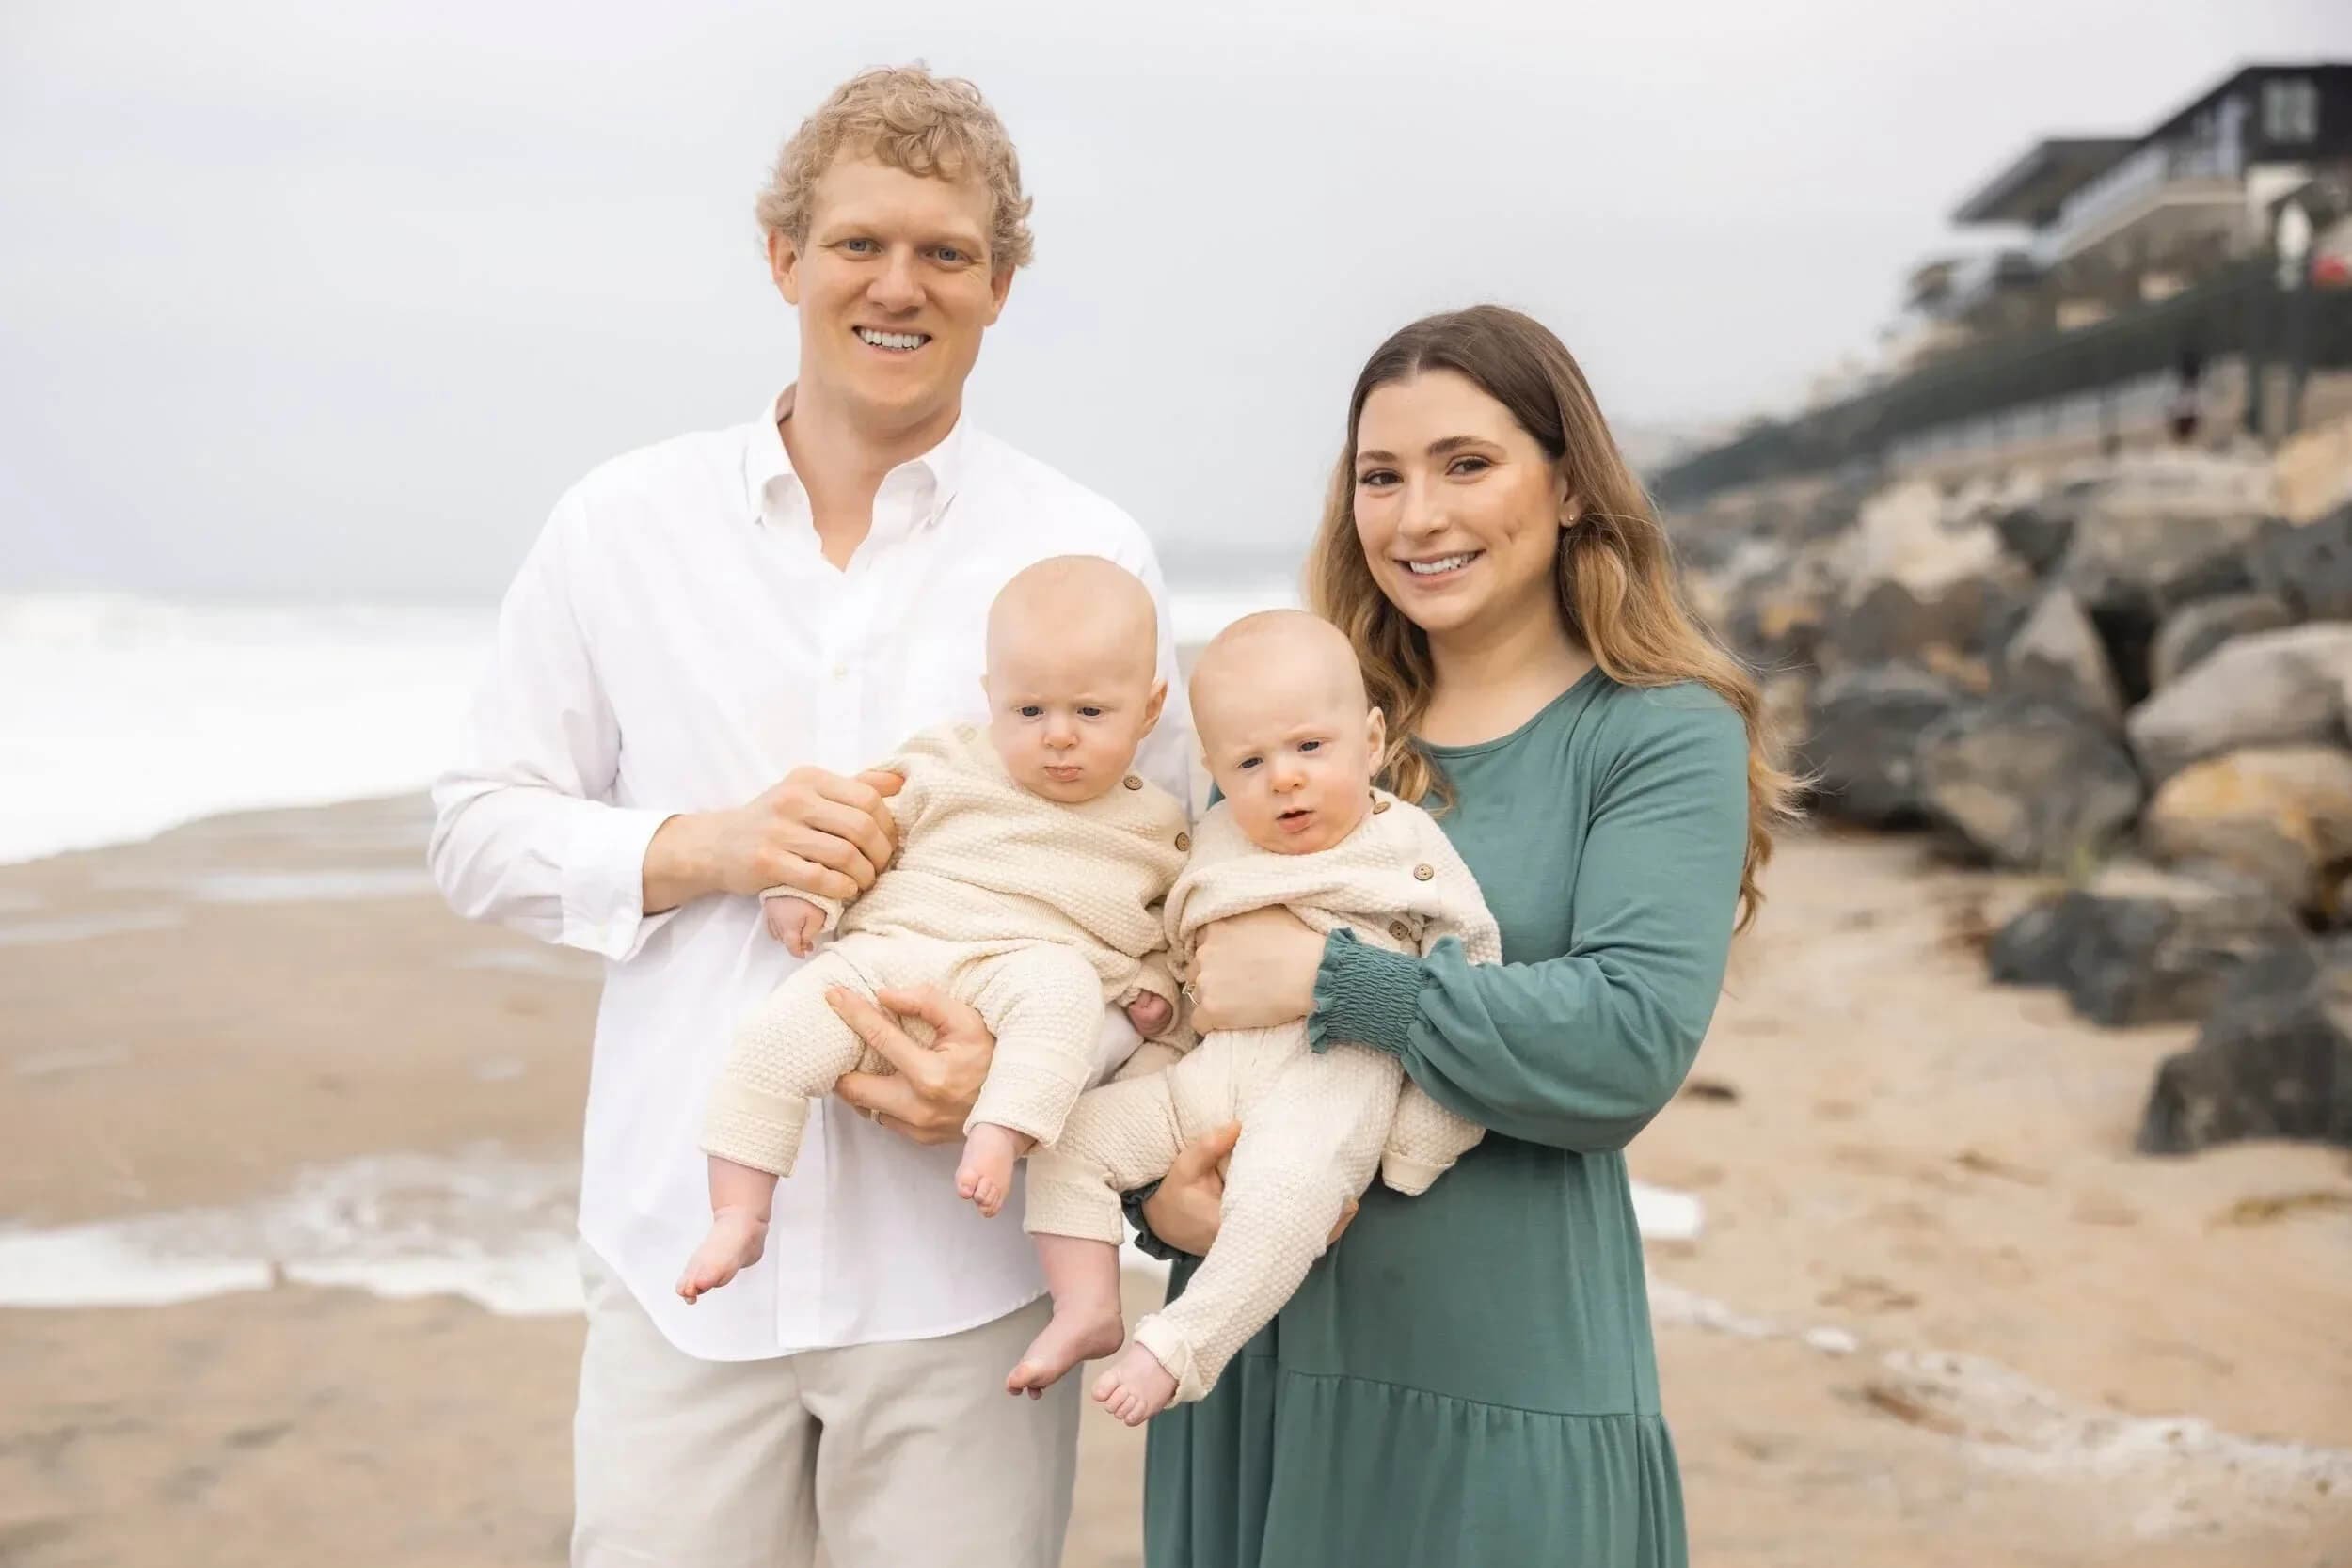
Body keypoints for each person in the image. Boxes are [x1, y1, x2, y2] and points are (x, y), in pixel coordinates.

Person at [426, 66, 1191, 1568]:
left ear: (1001, 283)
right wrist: (709, 845)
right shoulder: (618, 524)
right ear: (784, 258)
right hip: (678, 1258)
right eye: (856, 243)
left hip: (968, 1275)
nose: (897, 285)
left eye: (946, 252)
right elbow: (473, 827)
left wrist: (1029, 1062)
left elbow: (1159, 904)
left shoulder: (1089, 549)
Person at [1127, 305, 1795, 1567]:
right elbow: (1185, 1015)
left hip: (1506, 1384)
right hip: (1260, 1370)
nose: (1418, 514)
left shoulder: (1659, 731)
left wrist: (1335, 979)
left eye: (1466, 464)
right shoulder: (1307, 731)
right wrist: (1162, 1205)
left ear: (1573, 486)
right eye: (1382, 476)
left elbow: (1623, 1047)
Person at [1014, 610, 1502, 1424]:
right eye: (1251, 761)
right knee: (1068, 1141)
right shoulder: (1212, 840)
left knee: (1283, 1198)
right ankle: (1086, 1301)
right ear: (1214, 769)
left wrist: (1426, 1133)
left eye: (1310, 747)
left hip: (1333, 1070)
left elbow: (1470, 960)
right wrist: (1151, 1035)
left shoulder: (1403, 842)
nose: (1284, 778)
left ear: (1372, 740)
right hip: (1214, 1073)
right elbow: (1175, 961)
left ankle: (1179, 1347)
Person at [679, 556, 1186, 1304]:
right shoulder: (943, 761)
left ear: (1148, 711)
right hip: (890, 951)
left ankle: (1000, 1130)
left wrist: (1153, 990)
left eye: (1090, 713)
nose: (1058, 737)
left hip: (1025, 964)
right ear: (993, 699)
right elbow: (854, 827)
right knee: (773, 1040)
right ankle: (738, 1210)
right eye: (1029, 711)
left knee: (1067, 997)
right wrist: (798, 891)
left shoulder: (1155, 827)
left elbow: (1158, 932)